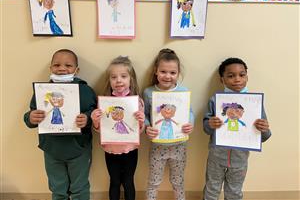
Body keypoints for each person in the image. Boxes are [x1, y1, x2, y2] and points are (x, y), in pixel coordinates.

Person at [23, 49, 97, 200]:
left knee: (80, 187)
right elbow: (31, 115)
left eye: (68, 65)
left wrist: (87, 119)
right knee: (57, 188)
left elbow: (95, 112)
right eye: (56, 65)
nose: (62, 69)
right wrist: (31, 118)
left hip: (79, 148)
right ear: (51, 68)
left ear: (77, 70)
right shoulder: (42, 91)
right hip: (52, 149)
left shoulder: (86, 91)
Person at [202, 57, 272, 200]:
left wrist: (264, 128)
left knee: (235, 191)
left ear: (247, 77)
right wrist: (210, 124)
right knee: (211, 188)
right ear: (222, 79)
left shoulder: (254, 103)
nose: (237, 79)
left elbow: (264, 136)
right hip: (216, 156)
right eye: (231, 76)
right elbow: (206, 128)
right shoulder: (215, 100)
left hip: (240, 159)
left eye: (242, 74)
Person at [91, 56, 145, 200]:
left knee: (128, 182)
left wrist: (141, 122)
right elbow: (100, 128)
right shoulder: (104, 102)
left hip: (130, 149)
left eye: (123, 76)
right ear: (109, 81)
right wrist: (95, 121)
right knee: (114, 182)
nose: (118, 80)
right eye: (114, 77)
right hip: (110, 149)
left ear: (131, 79)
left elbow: (139, 130)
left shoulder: (137, 102)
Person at [144, 48, 195, 200]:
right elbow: (145, 114)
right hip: (157, 146)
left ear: (178, 73)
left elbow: (189, 112)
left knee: (178, 181)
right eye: (163, 71)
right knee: (154, 181)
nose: (167, 76)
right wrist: (147, 127)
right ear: (156, 71)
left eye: (172, 73)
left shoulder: (183, 92)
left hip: (179, 146)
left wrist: (190, 124)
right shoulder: (148, 92)